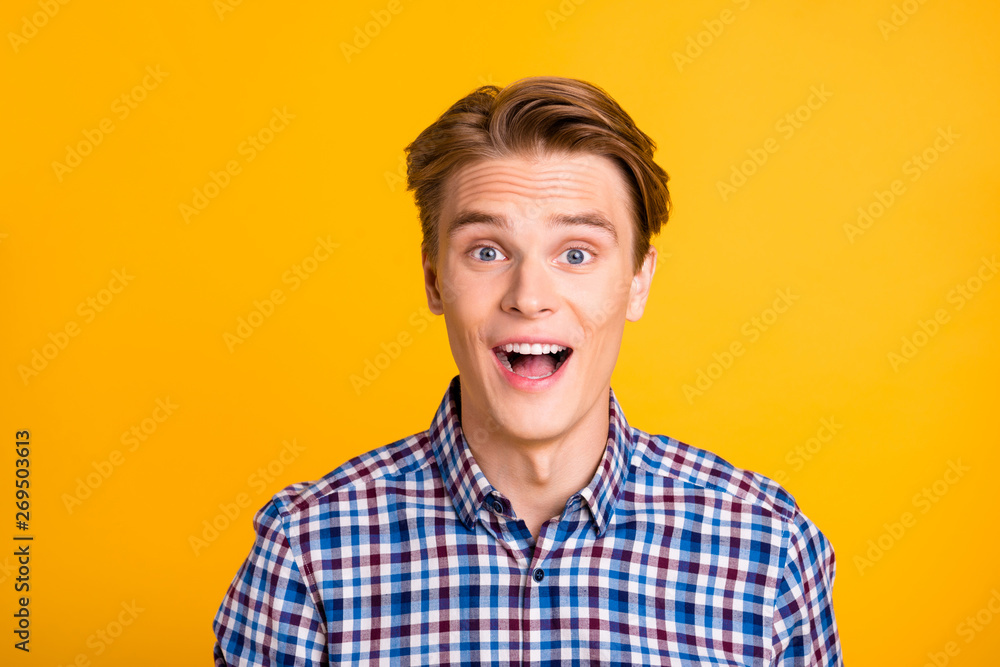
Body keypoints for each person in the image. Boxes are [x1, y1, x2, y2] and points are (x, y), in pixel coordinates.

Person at [213, 76, 842, 665]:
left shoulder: (768, 551)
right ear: (435, 280)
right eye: (487, 251)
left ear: (638, 281)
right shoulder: (305, 553)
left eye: (576, 253)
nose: (529, 295)